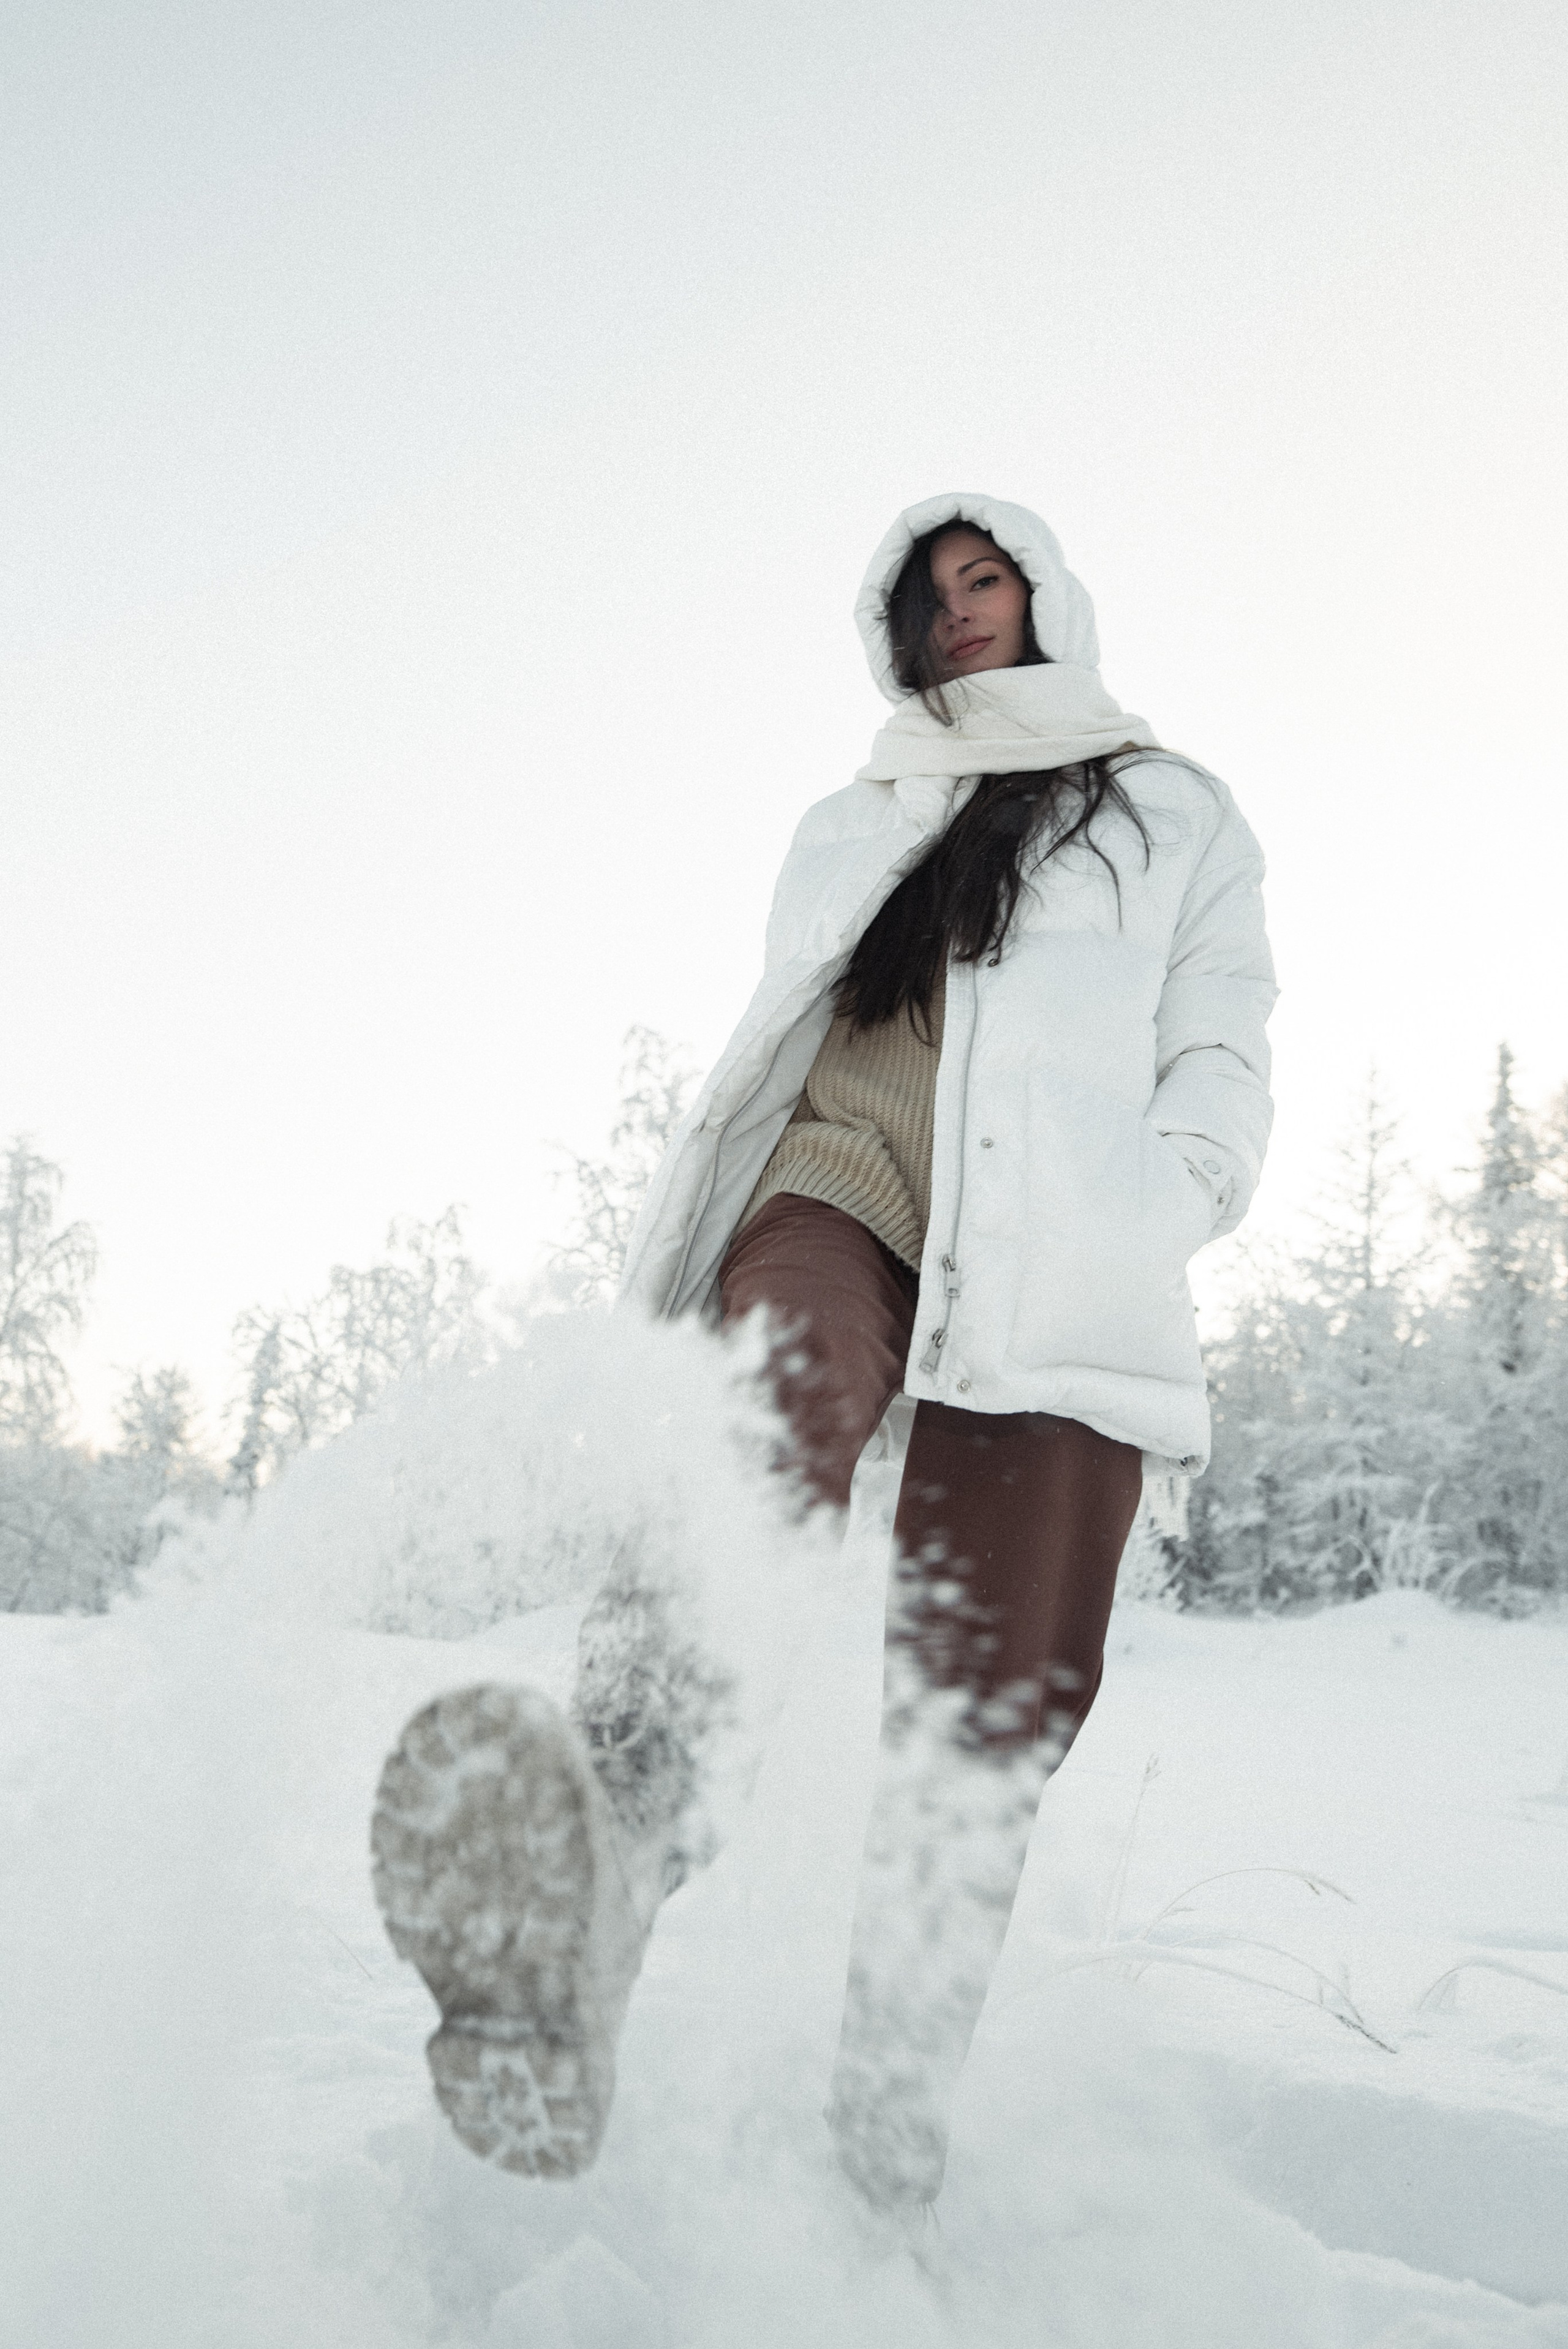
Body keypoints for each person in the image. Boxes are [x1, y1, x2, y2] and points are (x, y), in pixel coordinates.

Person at [369, 492, 1276, 2208]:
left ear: (1046, 594)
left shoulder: (1173, 810)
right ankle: (597, 1889)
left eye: (982, 579)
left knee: (988, 1713)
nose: (957, 616)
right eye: (927, 597)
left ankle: (888, 2129)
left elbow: (1225, 1054)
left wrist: (1161, 1202)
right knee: (747, 1433)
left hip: (1060, 1265)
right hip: (838, 1178)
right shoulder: (855, 812)